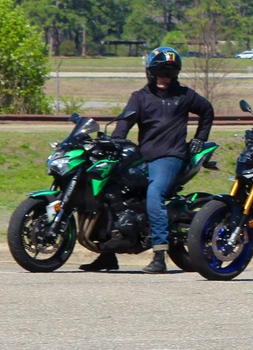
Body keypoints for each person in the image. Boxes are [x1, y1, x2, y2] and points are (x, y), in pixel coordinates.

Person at [79, 46, 214, 274]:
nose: (165, 78)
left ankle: (159, 256)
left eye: (170, 73)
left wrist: (200, 139)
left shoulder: (184, 95)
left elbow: (207, 110)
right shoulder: (139, 98)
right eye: (161, 72)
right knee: (108, 192)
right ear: (150, 72)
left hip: (170, 156)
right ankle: (107, 255)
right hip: (143, 157)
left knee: (155, 194)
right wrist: (116, 143)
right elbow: (123, 125)